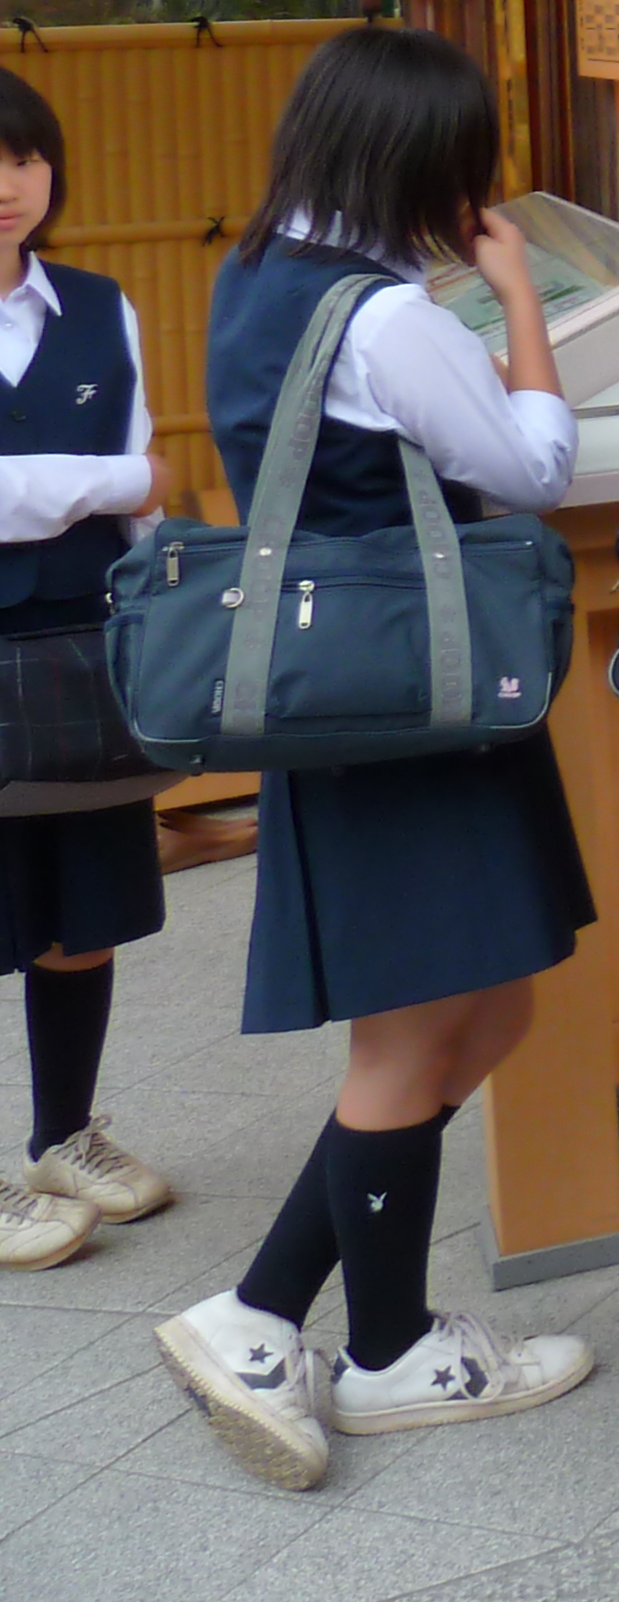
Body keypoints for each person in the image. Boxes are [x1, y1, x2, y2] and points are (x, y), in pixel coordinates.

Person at [156, 30, 594, 1491]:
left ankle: (268, 1311)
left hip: (355, 693)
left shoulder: (258, 268)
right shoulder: (386, 317)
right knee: (418, 1034)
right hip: (420, 698)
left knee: (492, 1008)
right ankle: (379, 1343)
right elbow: (536, 467)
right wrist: (520, 296)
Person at [0, 67, 177, 1272]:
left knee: (83, 907)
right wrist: (100, 484)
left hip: (78, 643)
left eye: (19, 159)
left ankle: (67, 1135)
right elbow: (122, 478)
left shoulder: (102, 306)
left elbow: (151, 478)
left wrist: (121, 497)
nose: (5, 187)